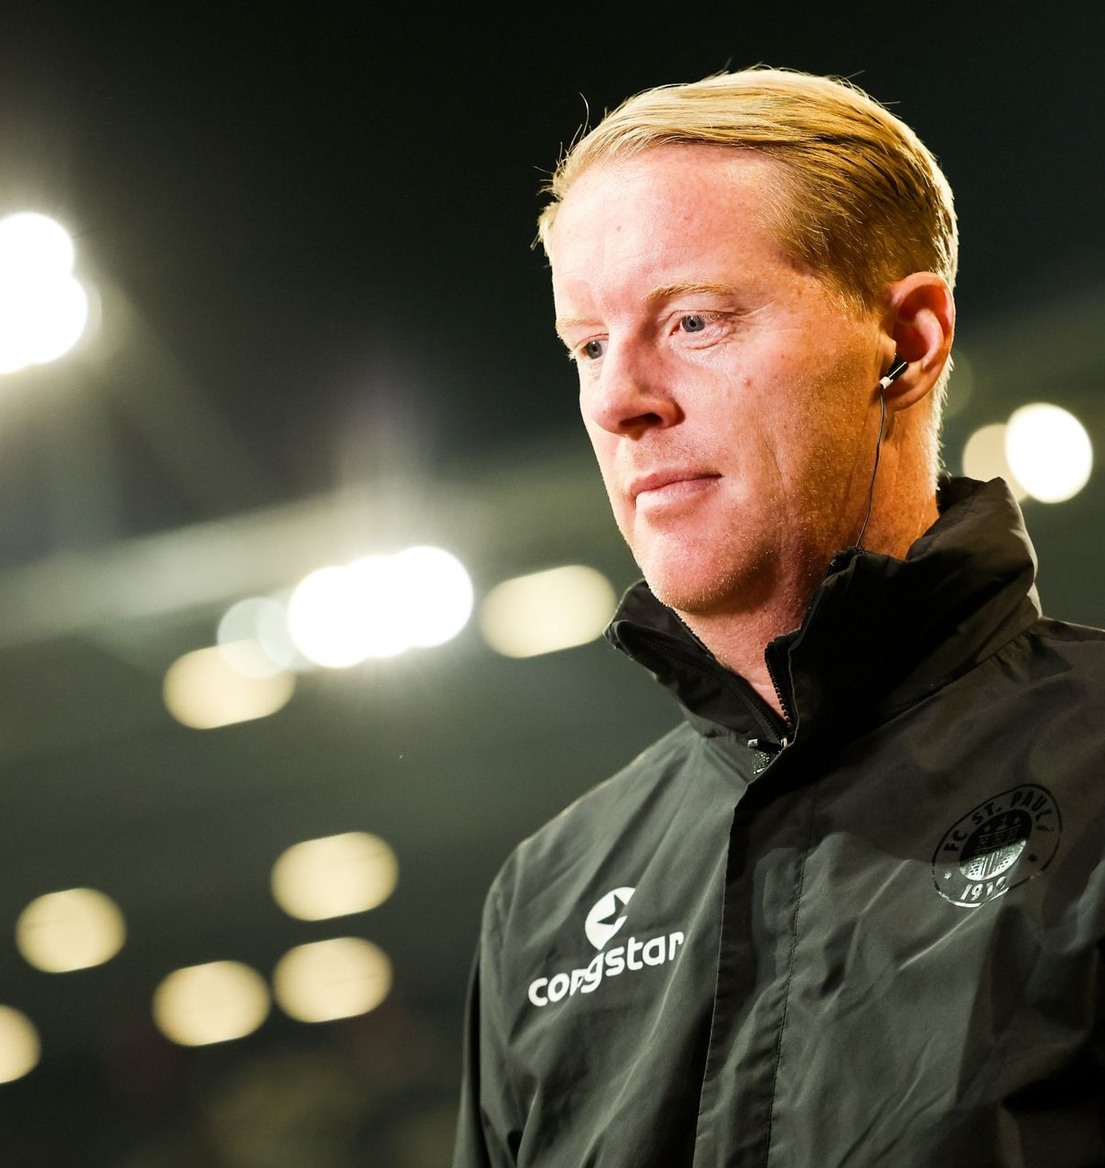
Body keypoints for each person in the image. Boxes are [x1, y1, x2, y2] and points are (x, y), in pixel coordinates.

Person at [453, 67, 1105, 1167]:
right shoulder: (548, 899)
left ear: (908, 341)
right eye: (590, 346)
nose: (619, 400)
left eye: (694, 320)